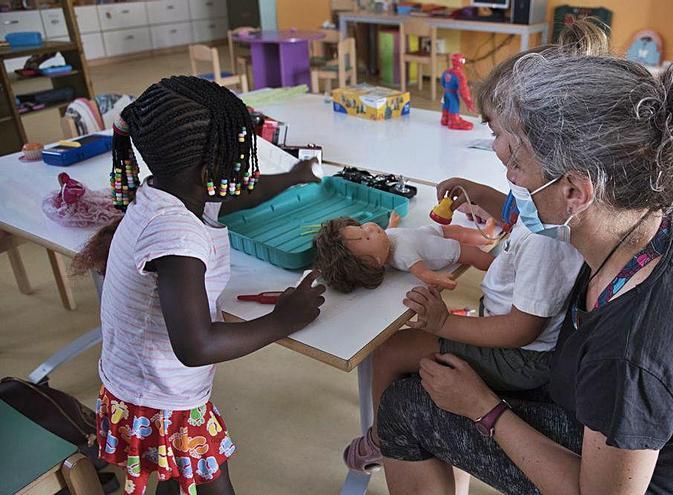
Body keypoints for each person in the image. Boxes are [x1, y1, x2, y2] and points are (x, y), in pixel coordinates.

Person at [375, 22, 673, 495]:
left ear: (576, 191)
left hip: (638, 475)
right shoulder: (658, 204)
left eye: (516, 166)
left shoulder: (631, 357)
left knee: (403, 407)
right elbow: (551, 218)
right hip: (630, 425)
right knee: (427, 380)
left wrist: (484, 408)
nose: (509, 174)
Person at [73, 76, 326, 495]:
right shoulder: (177, 235)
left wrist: (294, 176)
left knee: (177, 478)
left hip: (137, 383)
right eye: (239, 150)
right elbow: (197, 346)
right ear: (209, 168)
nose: (245, 162)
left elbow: (232, 196)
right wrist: (284, 318)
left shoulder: (164, 190)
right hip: (161, 398)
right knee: (212, 486)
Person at [339, 199, 583, 472]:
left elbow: (522, 331)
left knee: (389, 352)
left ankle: (380, 439)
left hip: (522, 358)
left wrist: (443, 323)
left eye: (515, 164)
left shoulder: (545, 242)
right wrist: (479, 194)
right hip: (516, 338)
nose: (510, 174)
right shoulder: (544, 210)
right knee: (405, 351)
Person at [312, 212, 495, 292]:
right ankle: (496, 267)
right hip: (440, 251)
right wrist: (440, 279)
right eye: (367, 237)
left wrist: (392, 224)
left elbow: (389, 233)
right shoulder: (403, 256)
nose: (371, 228)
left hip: (428, 234)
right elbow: (423, 273)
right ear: (374, 262)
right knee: (473, 254)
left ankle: (485, 235)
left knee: (458, 230)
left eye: (361, 227)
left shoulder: (383, 240)